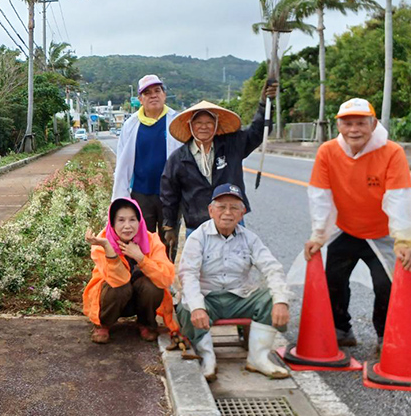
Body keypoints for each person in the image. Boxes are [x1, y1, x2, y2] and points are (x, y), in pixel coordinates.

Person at [303, 98, 411, 352]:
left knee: (386, 284)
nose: (353, 129)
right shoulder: (328, 151)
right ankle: (342, 329)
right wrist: (319, 236)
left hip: (383, 233)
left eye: (360, 123)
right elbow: (320, 196)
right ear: (339, 126)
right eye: (347, 123)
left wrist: (405, 241)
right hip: (345, 228)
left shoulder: (392, 152)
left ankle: (384, 336)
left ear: (373, 124)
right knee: (333, 278)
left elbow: (400, 199)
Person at [177, 184, 291, 382]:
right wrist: (197, 307)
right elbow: (188, 275)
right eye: (221, 207)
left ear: (242, 213)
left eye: (234, 207)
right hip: (208, 299)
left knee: (273, 299)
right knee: (186, 306)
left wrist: (281, 301)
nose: (227, 213)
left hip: (239, 298)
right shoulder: (198, 237)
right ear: (211, 210)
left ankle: (258, 358)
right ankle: (207, 357)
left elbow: (272, 268)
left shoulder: (250, 239)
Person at [161, 81, 276, 246]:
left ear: (215, 125)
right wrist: (169, 225)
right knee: (201, 270)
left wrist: (264, 105)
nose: (204, 127)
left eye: (209, 122)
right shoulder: (178, 158)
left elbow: (257, 132)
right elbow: (169, 194)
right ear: (191, 126)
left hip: (232, 222)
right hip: (197, 226)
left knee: (236, 267)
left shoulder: (232, 145)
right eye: (198, 123)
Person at [82, 197, 178, 344]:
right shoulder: (102, 242)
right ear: (112, 222)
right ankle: (103, 324)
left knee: (153, 286)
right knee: (120, 288)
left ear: (139, 222)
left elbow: (166, 278)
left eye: (132, 220)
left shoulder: (151, 240)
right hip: (113, 298)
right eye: (121, 220)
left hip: (139, 299)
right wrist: (109, 249)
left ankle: (145, 323)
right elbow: (118, 280)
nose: (127, 226)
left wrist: (141, 258)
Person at [111, 74, 181, 250]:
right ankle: (145, 276)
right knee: (143, 242)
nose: (153, 95)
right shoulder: (131, 125)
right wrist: (120, 197)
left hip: (170, 195)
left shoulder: (176, 121)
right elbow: (122, 164)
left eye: (157, 91)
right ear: (140, 99)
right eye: (147, 93)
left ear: (164, 95)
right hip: (141, 195)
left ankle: (165, 276)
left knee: (169, 242)